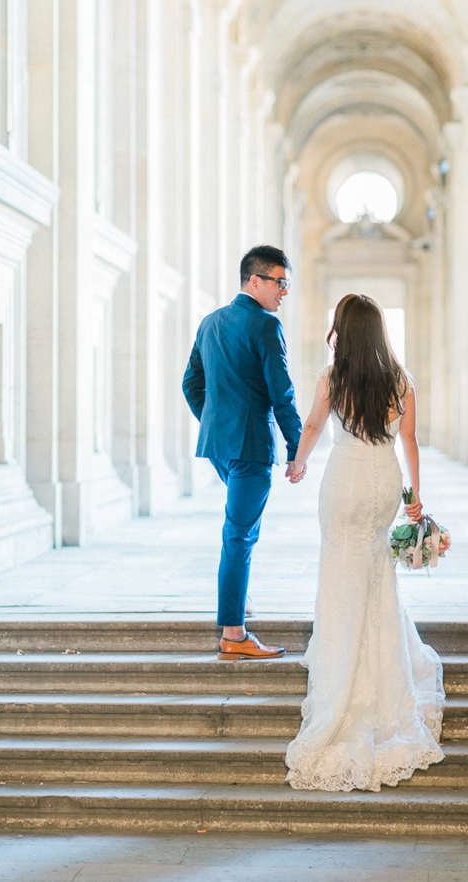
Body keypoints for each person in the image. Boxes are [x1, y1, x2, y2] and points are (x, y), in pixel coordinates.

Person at [284, 293, 444, 791]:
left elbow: (312, 424)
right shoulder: (401, 380)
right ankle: (380, 670)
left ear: (342, 331)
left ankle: (341, 659)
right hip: (381, 480)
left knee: (339, 566)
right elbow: (410, 440)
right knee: (377, 568)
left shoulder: (333, 379)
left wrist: (298, 461)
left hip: (345, 476)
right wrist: (414, 496)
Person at [182, 245, 302, 659]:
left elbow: (190, 385)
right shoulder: (266, 326)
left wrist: (216, 421)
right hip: (251, 446)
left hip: (220, 444)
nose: (284, 291)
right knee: (240, 534)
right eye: (279, 282)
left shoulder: (210, 322)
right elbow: (281, 391)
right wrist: (296, 446)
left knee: (239, 529)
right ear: (255, 281)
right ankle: (234, 633)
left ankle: (238, 599)